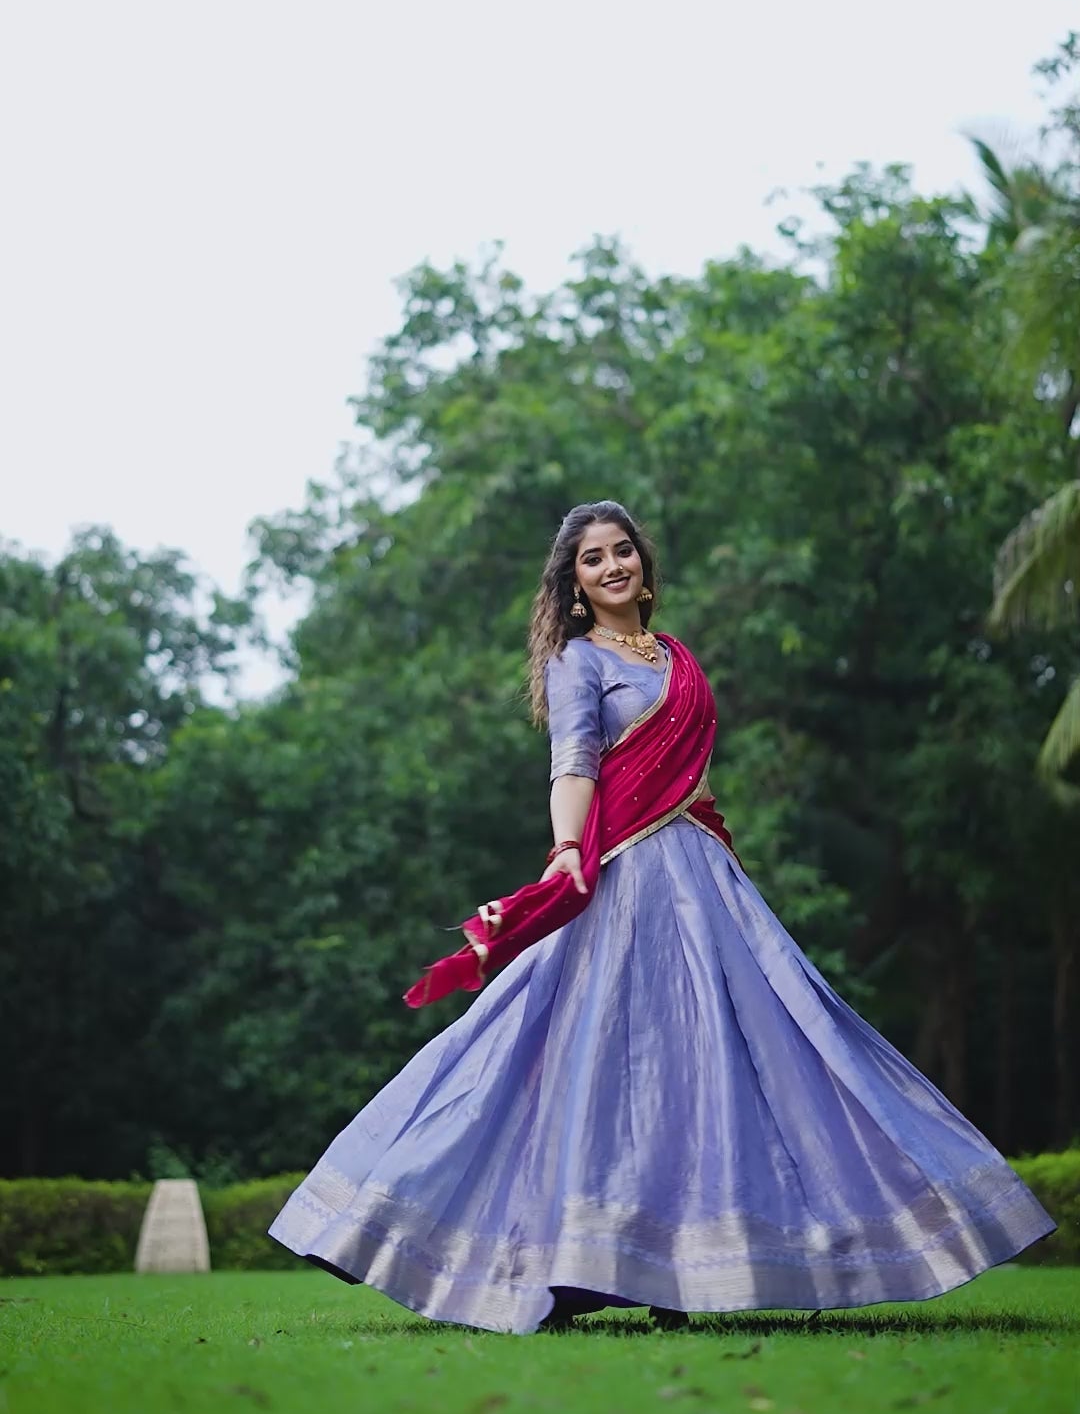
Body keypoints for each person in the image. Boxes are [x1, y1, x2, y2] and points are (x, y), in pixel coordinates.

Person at [267, 500, 1056, 1333]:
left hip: (701, 876)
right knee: (570, 1049)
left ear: (643, 562)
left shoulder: (677, 657)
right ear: (573, 583)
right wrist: (568, 850)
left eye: (622, 552)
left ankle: (689, 1265)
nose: (612, 567)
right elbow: (572, 761)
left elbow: (696, 780)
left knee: (745, 1049)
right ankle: (515, 1248)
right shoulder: (577, 661)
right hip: (621, 875)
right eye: (592, 560)